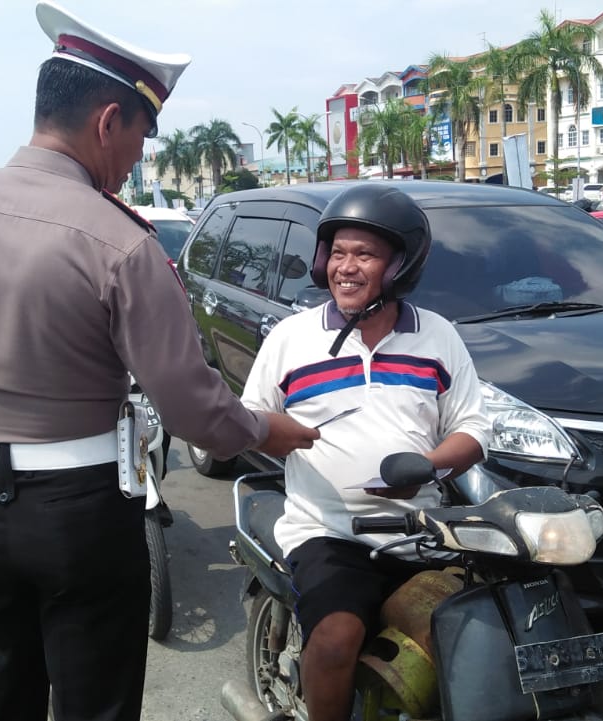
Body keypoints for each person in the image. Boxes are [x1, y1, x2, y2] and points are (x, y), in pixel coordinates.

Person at [0, 4, 318, 721]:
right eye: (142, 134)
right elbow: (190, 406)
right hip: (79, 509)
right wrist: (268, 429)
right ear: (108, 121)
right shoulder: (124, 244)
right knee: (95, 700)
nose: (139, 156)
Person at [240, 184, 492, 721]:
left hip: (421, 531)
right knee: (336, 639)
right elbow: (248, 419)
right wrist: (270, 432)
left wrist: (431, 466)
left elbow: (472, 428)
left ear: (400, 267)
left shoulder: (438, 336)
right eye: (337, 253)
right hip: (328, 532)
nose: (345, 268)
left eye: (365, 255)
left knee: (470, 637)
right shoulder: (291, 337)